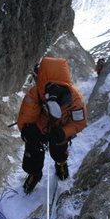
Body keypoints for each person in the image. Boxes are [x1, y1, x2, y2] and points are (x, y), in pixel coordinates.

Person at [17, 56, 87, 194]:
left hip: (60, 127)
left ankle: (60, 163)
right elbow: (26, 118)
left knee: (59, 149)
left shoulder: (75, 99)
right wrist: (28, 131)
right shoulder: (36, 93)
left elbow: (79, 122)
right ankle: (34, 173)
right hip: (40, 126)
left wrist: (64, 132)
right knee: (33, 150)